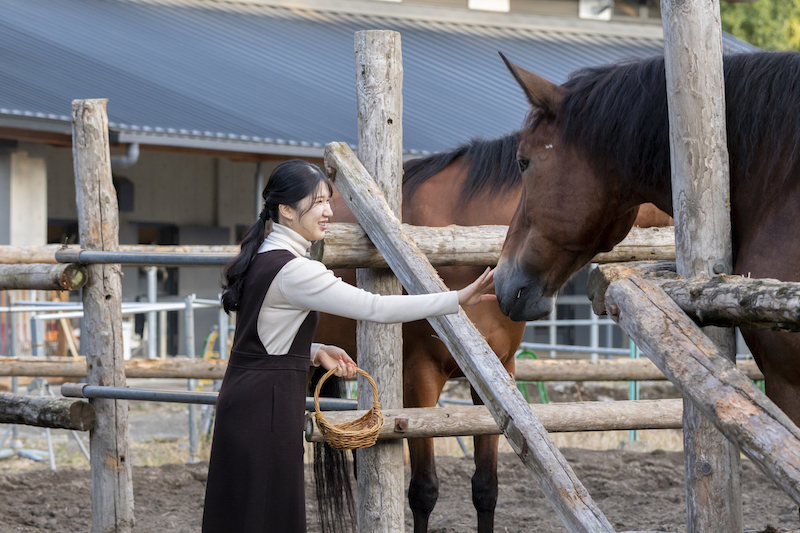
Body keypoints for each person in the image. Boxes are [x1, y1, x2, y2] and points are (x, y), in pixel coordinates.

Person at [201, 159, 496, 533]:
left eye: (328, 200)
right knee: (267, 514)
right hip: (268, 407)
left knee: (241, 514)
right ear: (287, 210)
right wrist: (455, 299)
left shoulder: (263, 255)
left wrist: (313, 350)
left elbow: (259, 339)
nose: (329, 212)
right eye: (318, 202)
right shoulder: (297, 270)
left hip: (245, 399)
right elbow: (375, 307)